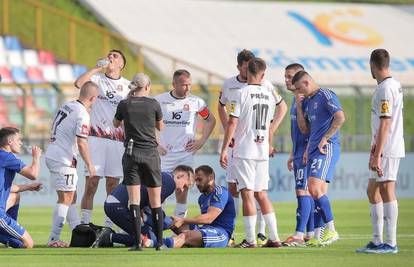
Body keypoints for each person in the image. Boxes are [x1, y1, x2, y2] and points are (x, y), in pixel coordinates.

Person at [218, 49, 287, 245]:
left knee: (247, 193)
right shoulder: (267, 94)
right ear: (263, 74)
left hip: (244, 149)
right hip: (262, 150)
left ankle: (250, 239)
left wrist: (224, 148)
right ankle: (274, 238)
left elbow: (232, 122)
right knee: (262, 194)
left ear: (247, 72)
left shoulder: (241, 93)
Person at [74, 49, 130, 228]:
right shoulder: (97, 79)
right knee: (91, 182)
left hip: (117, 141)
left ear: (121, 64)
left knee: (112, 185)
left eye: (115, 56)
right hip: (96, 139)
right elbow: (78, 83)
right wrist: (96, 68)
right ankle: (84, 224)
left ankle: (108, 225)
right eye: (109, 55)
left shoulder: (128, 86)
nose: (111, 58)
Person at [356, 49, 404, 254]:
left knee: (386, 190)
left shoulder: (385, 89)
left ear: (373, 66)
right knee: (372, 190)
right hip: (383, 147)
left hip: (388, 148)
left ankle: (390, 243)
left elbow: (386, 123)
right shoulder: (393, 85)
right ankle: (377, 241)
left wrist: (378, 153)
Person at [292, 70, 345, 246]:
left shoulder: (326, 95)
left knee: (314, 188)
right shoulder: (307, 101)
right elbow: (305, 129)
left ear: (307, 82)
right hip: (313, 149)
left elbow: (340, 118)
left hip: (326, 148)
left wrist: (325, 138)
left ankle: (332, 230)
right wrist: (299, 106)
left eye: (300, 88)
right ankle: (319, 235)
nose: (299, 92)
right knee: (317, 192)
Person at [155, 69, 216, 219]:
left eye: (189, 85)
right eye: (183, 85)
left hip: (184, 155)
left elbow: (210, 120)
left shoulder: (196, 103)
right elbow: (148, 123)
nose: (188, 88)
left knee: (182, 189)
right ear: (174, 84)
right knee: (159, 191)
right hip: (164, 154)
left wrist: (201, 141)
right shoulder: (159, 101)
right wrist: (155, 143)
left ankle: (179, 224)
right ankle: (156, 223)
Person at [113, 73, 164, 251]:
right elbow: (160, 127)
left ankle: (137, 243)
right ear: (147, 86)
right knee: (155, 201)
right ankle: (161, 243)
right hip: (150, 154)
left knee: (133, 201)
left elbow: (115, 123)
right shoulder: (154, 104)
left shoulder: (124, 104)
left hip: (131, 154)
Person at [45, 81, 99, 247]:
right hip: (63, 158)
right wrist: (90, 165)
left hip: (54, 153)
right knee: (65, 198)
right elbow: (82, 143)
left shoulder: (67, 105)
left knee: (71, 196)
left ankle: (79, 233)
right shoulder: (82, 113)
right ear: (94, 98)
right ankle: (54, 239)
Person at [103, 165, 194, 248]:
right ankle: (107, 237)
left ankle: (109, 237)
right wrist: (170, 222)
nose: (182, 190)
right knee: (153, 238)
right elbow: (154, 207)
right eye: (185, 186)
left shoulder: (163, 176)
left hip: (113, 204)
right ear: (181, 175)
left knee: (151, 236)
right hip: (119, 206)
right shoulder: (170, 182)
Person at [282, 63, 317, 247]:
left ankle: (298, 234)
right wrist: (291, 153)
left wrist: (305, 151)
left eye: (290, 76)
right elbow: (298, 132)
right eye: (285, 76)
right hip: (298, 153)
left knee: (302, 191)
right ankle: (310, 233)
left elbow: (311, 130)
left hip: (305, 154)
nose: (287, 80)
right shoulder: (296, 100)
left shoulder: (306, 100)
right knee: (306, 192)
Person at [169, 165, 235, 248]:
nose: (197, 183)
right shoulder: (202, 198)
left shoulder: (220, 192)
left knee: (184, 236)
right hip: (205, 229)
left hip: (220, 234)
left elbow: (208, 218)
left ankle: (155, 243)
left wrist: (183, 220)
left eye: (200, 179)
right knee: (171, 222)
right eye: (196, 180)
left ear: (210, 178)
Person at [0, 127, 42, 248]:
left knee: (15, 196)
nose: (21, 143)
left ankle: (9, 234)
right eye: (18, 140)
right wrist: (36, 157)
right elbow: (33, 174)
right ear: (9, 141)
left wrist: (28, 187)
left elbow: (6, 187)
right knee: (28, 244)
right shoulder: (7, 157)